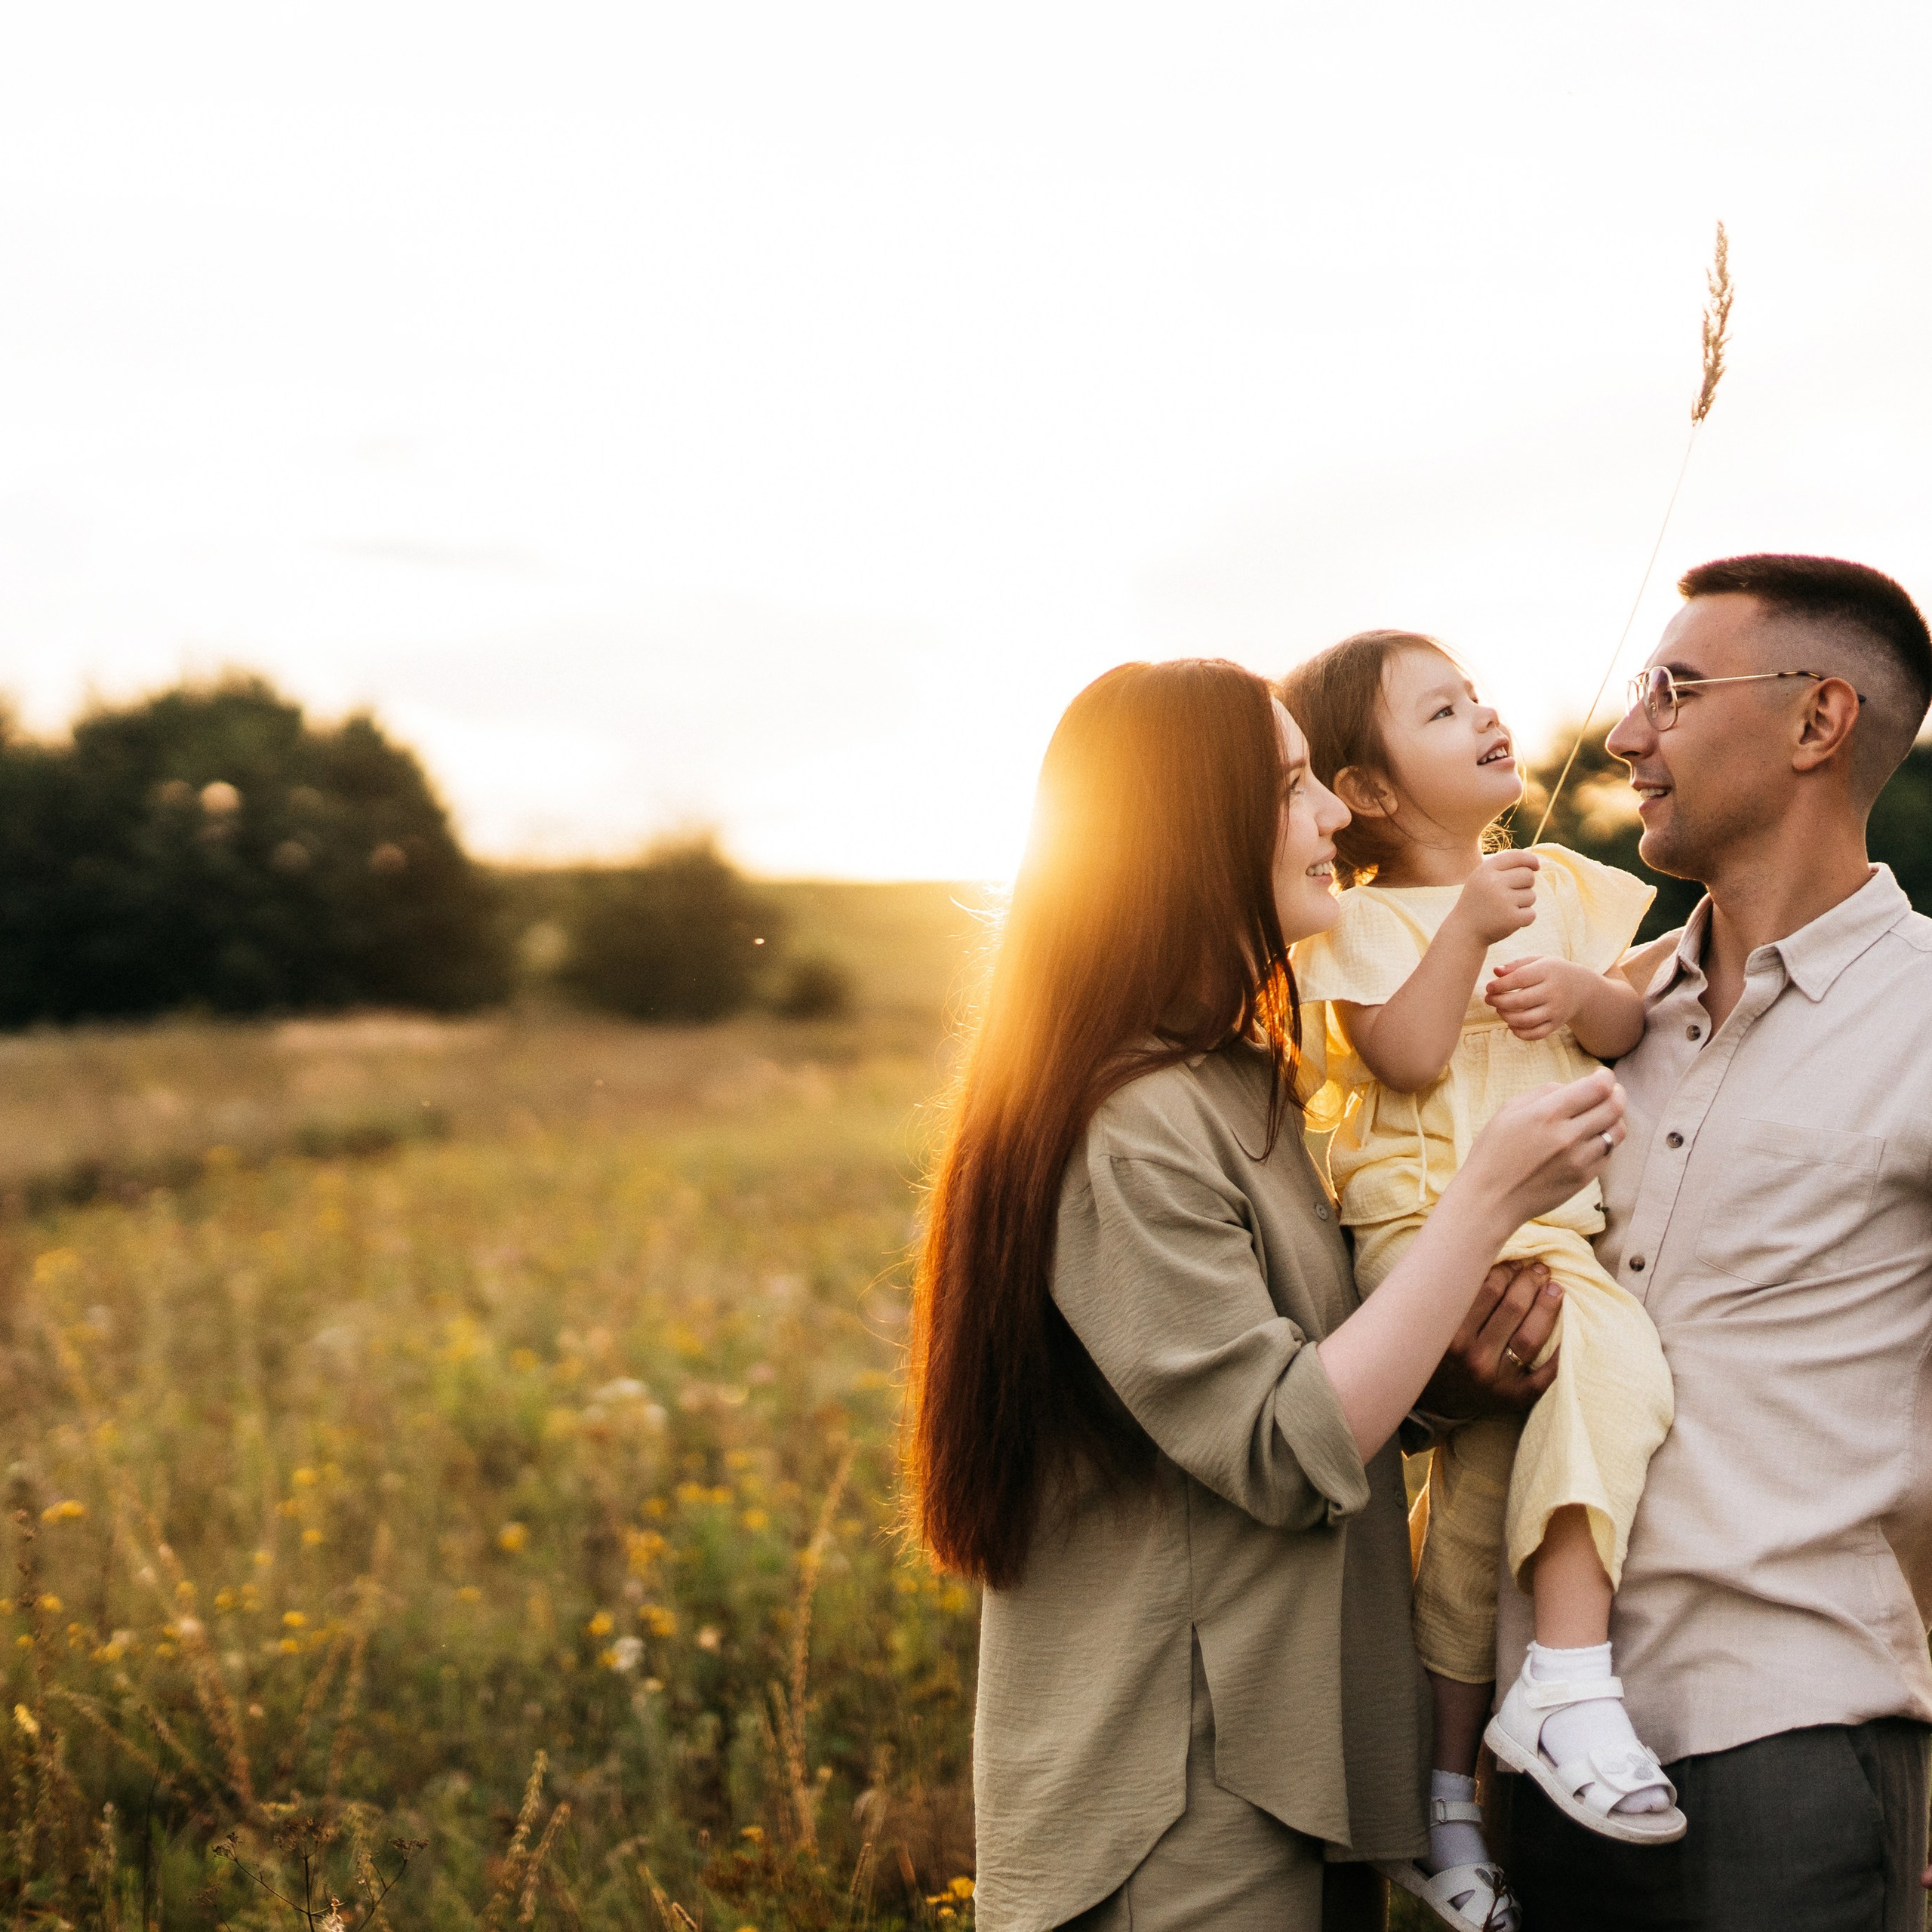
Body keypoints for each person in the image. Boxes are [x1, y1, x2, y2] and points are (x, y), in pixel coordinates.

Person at [901, 657, 1629, 1931]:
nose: (1338, 819)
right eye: (1298, 788)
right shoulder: (1129, 1124)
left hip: (1293, 1777)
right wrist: (1480, 1207)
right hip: (1173, 1802)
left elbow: (1313, 1385)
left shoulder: (1246, 1085)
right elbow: (1289, 1450)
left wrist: (1448, 1387)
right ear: (1194, 835)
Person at [1478, 554, 1932, 1932]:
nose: (1627, 737)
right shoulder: (1579, 1016)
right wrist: (1472, 1372)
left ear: (1817, 723)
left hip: (1796, 1750)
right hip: (1543, 1756)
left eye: (1672, 691)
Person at [1280, 634, 1681, 1932]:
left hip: (1548, 1231)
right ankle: (1568, 1672)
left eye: (1476, 695)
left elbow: (1621, 1026)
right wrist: (1462, 931)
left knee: (1470, 1522)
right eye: (1443, 712)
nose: (1488, 715)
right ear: (1372, 791)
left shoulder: (1559, 879)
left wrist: (1576, 987)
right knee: (1625, 1364)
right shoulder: (1357, 920)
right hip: (1430, 1236)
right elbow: (1395, 1055)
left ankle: (1443, 1797)